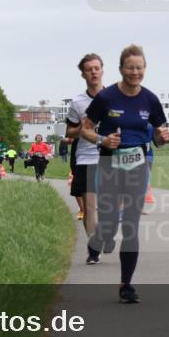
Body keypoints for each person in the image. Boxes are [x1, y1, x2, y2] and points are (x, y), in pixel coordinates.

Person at [80, 44, 169, 304]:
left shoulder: (151, 100)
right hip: (109, 164)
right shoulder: (107, 97)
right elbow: (85, 129)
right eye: (130, 68)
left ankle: (126, 284)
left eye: (139, 68)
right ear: (121, 69)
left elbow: (159, 137)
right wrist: (102, 140)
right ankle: (98, 240)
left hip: (138, 165)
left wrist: (163, 138)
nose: (135, 72)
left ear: (145, 69)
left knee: (130, 225)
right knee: (109, 223)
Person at [65, 53, 105, 262]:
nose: (93, 72)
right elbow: (69, 133)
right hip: (86, 158)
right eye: (89, 69)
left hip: (110, 157)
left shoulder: (115, 97)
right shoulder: (77, 102)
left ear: (102, 70)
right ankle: (94, 246)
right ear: (83, 74)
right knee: (88, 207)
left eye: (96, 68)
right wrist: (82, 127)